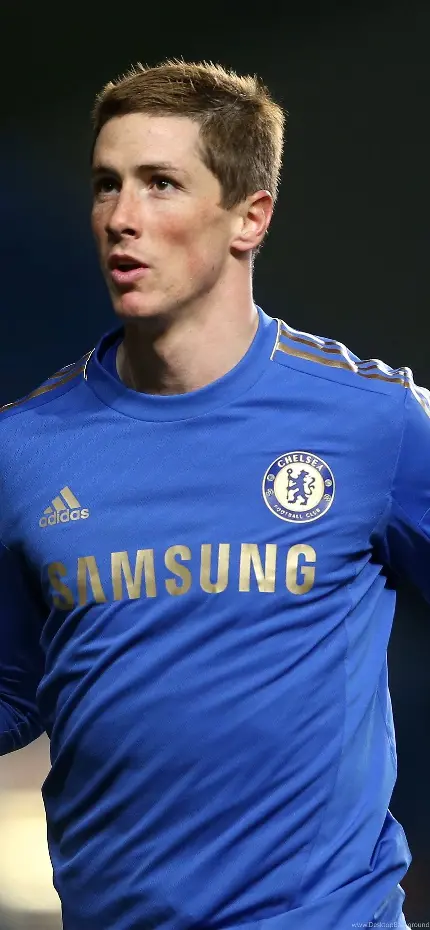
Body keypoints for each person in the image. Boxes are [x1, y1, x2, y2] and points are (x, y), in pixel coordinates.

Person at [0, 58, 428, 930]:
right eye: (106, 184)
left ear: (250, 217)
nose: (122, 217)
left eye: (160, 184)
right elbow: (13, 690)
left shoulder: (375, 423)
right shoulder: (23, 448)